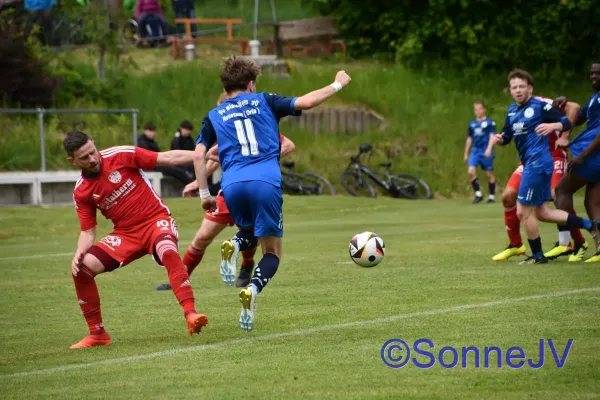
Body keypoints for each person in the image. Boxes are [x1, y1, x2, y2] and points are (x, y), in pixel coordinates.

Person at [193, 56, 351, 331]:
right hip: (265, 181)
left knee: (250, 233)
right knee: (273, 252)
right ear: (251, 84)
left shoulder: (214, 115)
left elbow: (199, 154)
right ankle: (252, 289)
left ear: (225, 87)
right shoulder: (265, 100)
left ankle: (236, 244)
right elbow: (306, 102)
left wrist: (205, 193)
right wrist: (337, 84)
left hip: (231, 185)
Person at [65, 131, 208, 349]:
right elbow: (87, 231)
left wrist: (201, 154)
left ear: (94, 143)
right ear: (73, 161)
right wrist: (79, 252)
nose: (92, 159)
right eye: (84, 158)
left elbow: (168, 158)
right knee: (82, 268)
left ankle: (191, 314)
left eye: (92, 152)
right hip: (125, 234)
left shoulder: (121, 155)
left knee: (168, 250)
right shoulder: (82, 191)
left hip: (155, 220)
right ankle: (97, 334)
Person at [155, 134, 296, 291]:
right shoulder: (224, 125)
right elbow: (214, 156)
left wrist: (263, 159)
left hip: (256, 188)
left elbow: (288, 144)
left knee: (250, 234)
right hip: (231, 191)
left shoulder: (260, 123)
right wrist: (197, 182)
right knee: (202, 237)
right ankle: (180, 279)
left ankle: (246, 267)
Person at [491, 69, 597, 264]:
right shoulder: (512, 111)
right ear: (510, 90)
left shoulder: (540, 106)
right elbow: (507, 136)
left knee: (523, 211)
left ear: (530, 89)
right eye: (514, 87)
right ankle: (591, 225)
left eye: (521, 86)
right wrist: (499, 139)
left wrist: (553, 126)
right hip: (529, 164)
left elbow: (566, 122)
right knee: (543, 213)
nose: (518, 90)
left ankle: (538, 255)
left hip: (538, 163)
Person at [554, 63, 600, 261]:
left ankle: (566, 242)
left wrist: (583, 156)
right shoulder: (595, 98)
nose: (594, 76)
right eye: (592, 73)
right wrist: (564, 104)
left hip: (594, 154)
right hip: (594, 154)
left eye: (598, 73)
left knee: (561, 190)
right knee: (592, 202)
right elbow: (580, 118)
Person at [138, 122, 194, 186]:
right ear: (145, 131)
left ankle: (192, 185)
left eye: (153, 131)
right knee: (178, 171)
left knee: (180, 171)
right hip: (153, 165)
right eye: (150, 131)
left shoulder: (152, 142)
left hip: (157, 163)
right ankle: (192, 186)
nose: (151, 133)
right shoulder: (142, 142)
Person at [464, 102, 497, 204]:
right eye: (476, 109)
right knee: (471, 171)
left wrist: (489, 148)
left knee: (489, 174)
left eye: (479, 109)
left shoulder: (490, 122)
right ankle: (478, 194)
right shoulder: (472, 124)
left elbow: (492, 136)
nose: (478, 111)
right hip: (475, 151)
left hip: (486, 150)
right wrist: (466, 153)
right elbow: (469, 138)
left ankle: (491, 196)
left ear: (484, 110)